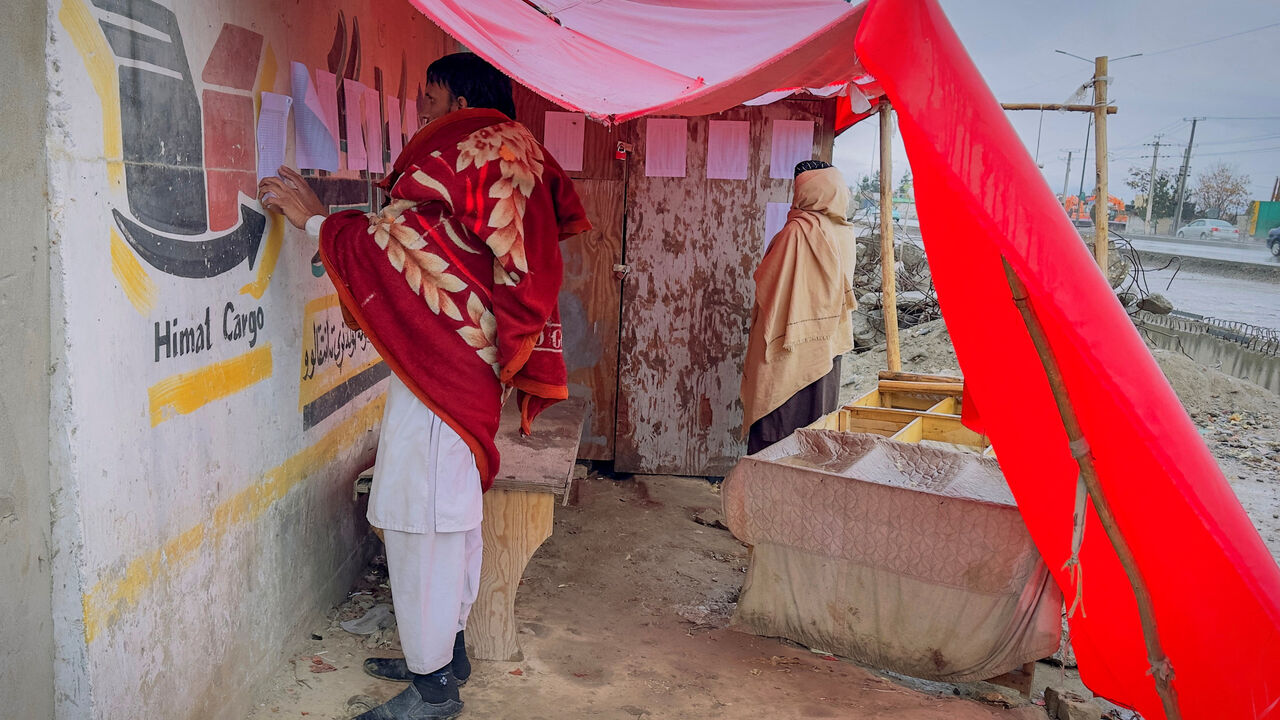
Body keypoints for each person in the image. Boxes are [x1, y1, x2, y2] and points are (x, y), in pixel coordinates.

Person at [259, 52, 589, 720]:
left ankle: (434, 686)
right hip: (455, 370)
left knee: (425, 518)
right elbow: (440, 247)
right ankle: (445, 649)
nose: (424, 118)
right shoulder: (513, 157)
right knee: (445, 513)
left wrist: (319, 222)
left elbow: (406, 248)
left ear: (464, 106)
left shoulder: (480, 154)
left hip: (444, 375)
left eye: (431, 102)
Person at [740, 160, 856, 454]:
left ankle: (768, 494)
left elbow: (769, 285)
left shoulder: (797, 232)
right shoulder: (845, 232)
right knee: (814, 431)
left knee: (777, 429)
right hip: (826, 349)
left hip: (788, 349)